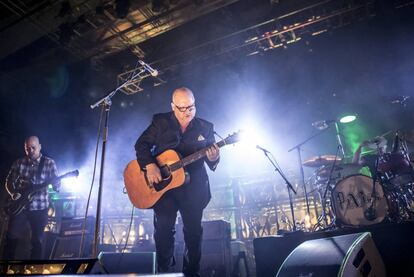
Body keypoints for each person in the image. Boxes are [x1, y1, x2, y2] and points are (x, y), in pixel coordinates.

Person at [134, 87, 220, 276]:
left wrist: (213, 158)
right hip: (165, 189)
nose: (187, 112)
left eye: (191, 107)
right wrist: (150, 165)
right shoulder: (160, 122)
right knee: (163, 232)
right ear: (173, 107)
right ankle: (164, 272)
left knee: (194, 234)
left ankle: (191, 273)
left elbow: (211, 159)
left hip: (193, 188)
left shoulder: (205, 127)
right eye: (182, 108)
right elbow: (141, 145)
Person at [3, 136, 59, 259]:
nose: (31, 150)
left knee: (37, 242)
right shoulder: (19, 163)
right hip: (20, 208)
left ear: (39, 147)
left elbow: (57, 186)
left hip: (40, 208)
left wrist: (56, 185)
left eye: (33, 147)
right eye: (27, 148)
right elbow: (8, 181)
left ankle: (34, 271)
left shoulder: (49, 163)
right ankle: (5, 269)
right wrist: (13, 193)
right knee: (11, 238)